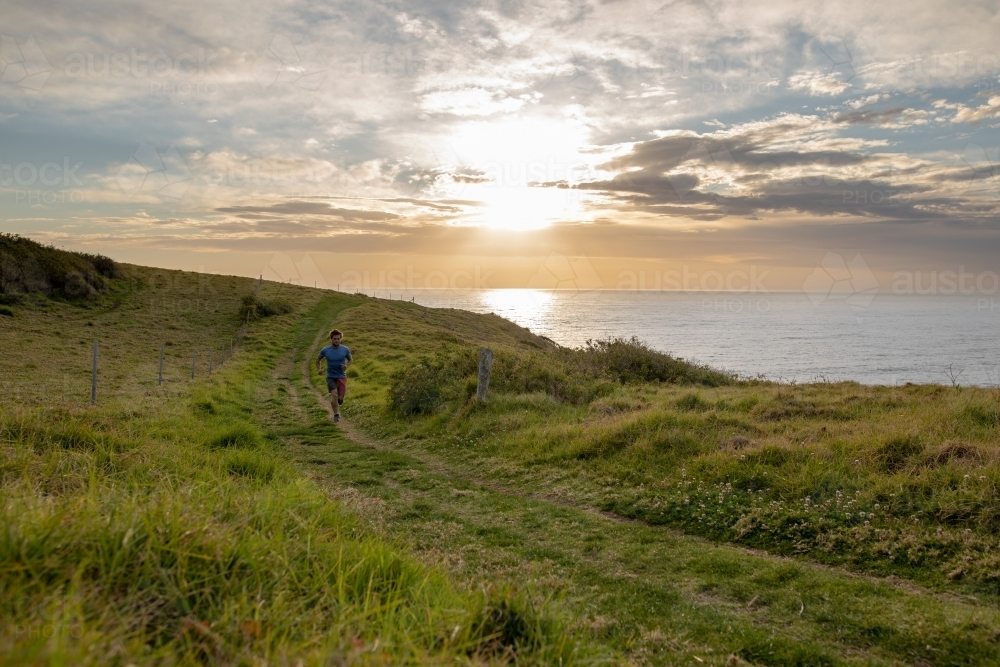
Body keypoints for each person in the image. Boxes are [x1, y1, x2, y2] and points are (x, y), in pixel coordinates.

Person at [316, 329, 352, 422]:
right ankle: (336, 414)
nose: (337, 340)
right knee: (334, 395)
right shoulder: (325, 350)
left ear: (341, 339)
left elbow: (350, 360)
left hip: (341, 376)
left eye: (338, 339)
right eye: (335, 339)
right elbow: (318, 360)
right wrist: (319, 369)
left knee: (340, 398)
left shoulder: (345, 349)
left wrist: (346, 366)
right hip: (330, 376)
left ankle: (340, 399)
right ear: (331, 339)